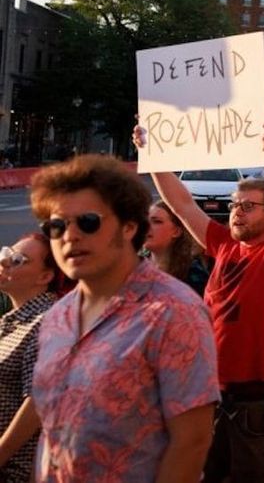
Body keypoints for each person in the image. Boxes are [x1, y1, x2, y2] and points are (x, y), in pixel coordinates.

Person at [27, 154, 220, 481]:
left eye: (88, 222)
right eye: (57, 226)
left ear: (129, 227)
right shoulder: (57, 316)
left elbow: (191, 442)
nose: (70, 236)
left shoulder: (173, 311)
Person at [138, 121, 264, 482]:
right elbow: (181, 204)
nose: (237, 211)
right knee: (208, 472)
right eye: (234, 204)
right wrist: (151, 157)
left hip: (249, 388)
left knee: (246, 474)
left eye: (249, 206)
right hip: (207, 384)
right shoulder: (224, 244)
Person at [0, 233, 68, 482]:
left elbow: (37, 401)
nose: (5, 263)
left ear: (45, 277)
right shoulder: (11, 320)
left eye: (19, 260)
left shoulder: (46, 321)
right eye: (7, 254)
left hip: (13, 470)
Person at [145, 200, 210, 296]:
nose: (146, 227)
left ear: (176, 231)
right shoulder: (132, 265)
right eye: (145, 221)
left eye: (157, 221)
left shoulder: (193, 273)